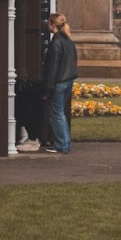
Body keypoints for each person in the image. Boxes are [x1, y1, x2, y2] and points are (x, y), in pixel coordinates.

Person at [41, 13, 78, 154]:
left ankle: (62, 144)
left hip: (59, 81)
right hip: (68, 79)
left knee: (56, 114)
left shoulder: (56, 42)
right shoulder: (68, 40)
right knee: (60, 113)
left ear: (52, 24)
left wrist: (47, 88)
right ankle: (65, 143)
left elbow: (53, 67)